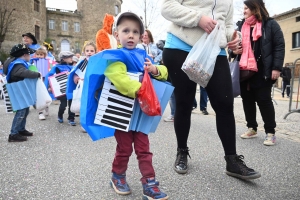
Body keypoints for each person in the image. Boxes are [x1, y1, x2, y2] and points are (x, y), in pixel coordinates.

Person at [161, 0, 261, 179]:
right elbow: (167, 7)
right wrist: (198, 19)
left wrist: (232, 35)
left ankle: (232, 160)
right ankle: (182, 151)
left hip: (215, 49)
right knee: (184, 103)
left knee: (224, 103)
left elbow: (227, 24)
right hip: (180, 46)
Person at [103, 12, 169, 199]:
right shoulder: (116, 56)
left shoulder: (144, 55)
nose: (130, 35)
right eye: (126, 31)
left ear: (141, 36)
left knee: (143, 148)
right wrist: (141, 88)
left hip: (141, 114)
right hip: (122, 113)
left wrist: (155, 69)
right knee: (124, 149)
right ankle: (117, 176)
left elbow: (163, 72)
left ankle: (149, 182)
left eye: (135, 31)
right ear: (117, 35)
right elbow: (118, 78)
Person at [233, 0, 285, 146]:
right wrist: (234, 50)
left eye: (246, 8)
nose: (243, 11)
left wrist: (276, 68)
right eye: (243, 8)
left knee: (264, 100)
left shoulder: (270, 24)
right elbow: (232, 46)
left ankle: (270, 132)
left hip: (263, 70)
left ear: (255, 8)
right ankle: (252, 128)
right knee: (247, 100)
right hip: (244, 70)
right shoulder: (240, 26)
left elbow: (279, 46)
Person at [3, 44, 41, 142]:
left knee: (25, 110)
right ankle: (13, 134)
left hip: (20, 89)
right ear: (24, 55)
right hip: (18, 90)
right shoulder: (18, 64)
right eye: (29, 54)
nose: (30, 56)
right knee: (21, 111)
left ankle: (21, 129)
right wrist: (37, 74)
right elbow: (22, 73)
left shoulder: (16, 62)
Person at [67, 42, 97, 132]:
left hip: (94, 87)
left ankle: (92, 122)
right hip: (83, 87)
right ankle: (84, 124)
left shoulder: (97, 62)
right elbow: (75, 73)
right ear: (84, 52)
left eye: (92, 51)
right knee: (84, 106)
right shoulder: (82, 62)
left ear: (96, 52)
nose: (89, 52)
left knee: (93, 105)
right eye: (87, 50)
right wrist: (77, 79)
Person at [44, 51, 76, 125]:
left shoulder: (73, 67)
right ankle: (60, 115)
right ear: (64, 59)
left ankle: (71, 118)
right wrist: (49, 86)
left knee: (72, 104)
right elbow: (49, 76)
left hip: (71, 88)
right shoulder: (57, 67)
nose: (72, 58)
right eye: (70, 57)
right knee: (63, 104)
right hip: (61, 89)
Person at [34, 48, 50, 120]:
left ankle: (46, 107)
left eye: (41, 54)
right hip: (37, 81)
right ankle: (40, 113)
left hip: (45, 81)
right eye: (37, 54)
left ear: (44, 55)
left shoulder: (47, 62)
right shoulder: (33, 62)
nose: (39, 56)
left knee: (45, 97)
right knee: (39, 97)